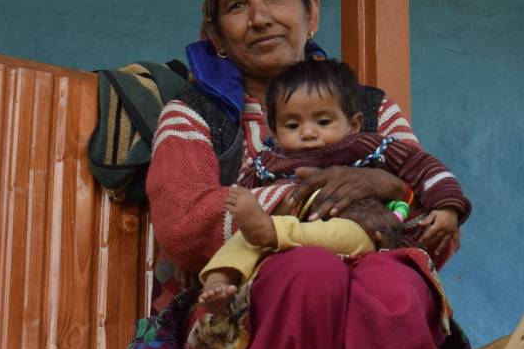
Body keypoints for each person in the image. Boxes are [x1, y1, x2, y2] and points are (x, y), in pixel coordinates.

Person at [143, 0, 456, 349]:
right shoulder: (192, 113)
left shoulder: (369, 108)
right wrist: (304, 200)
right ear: (216, 35)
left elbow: (436, 232)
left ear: (311, 12)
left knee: (398, 287)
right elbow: (184, 225)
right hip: (240, 295)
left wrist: (389, 187)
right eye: (237, 6)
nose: (260, 17)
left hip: (369, 279)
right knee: (311, 273)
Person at [200, 58, 470, 312]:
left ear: (354, 124)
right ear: (274, 130)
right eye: (292, 124)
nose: (308, 132)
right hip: (283, 251)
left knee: (352, 231)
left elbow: (423, 167)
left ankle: (272, 232)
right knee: (243, 238)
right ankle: (218, 280)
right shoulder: (269, 161)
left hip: (349, 232)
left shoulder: (367, 145)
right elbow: (241, 198)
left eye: (324, 121)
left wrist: (448, 207)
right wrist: (241, 205)